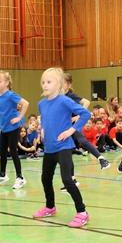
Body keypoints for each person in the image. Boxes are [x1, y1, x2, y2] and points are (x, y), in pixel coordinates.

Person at [33, 68, 92, 228]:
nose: (45, 85)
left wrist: (71, 130)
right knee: (45, 178)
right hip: (49, 148)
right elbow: (46, 119)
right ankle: (50, 207)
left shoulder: (64, 100)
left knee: (67, 179)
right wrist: (43, 130)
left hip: (64, 146)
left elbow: (85, 114)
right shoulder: (42, 103)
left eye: (49, 82)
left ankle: (82, 212)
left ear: (58, 84)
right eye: (43, 82)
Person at [64, 73, 110, 169]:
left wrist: (78, 116)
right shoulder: (57, 96)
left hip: (72, 123)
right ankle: (72, 178)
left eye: (63, 83)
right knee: (65, 152)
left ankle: (101, 158)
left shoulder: (70, 95)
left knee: (82, 140)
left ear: (69, 85)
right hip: (63, 124)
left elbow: (86, 102)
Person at [0, 71, 29, 189]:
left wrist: (19, 117)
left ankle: (20, 178)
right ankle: (2, 175)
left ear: (7, 83)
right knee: (2, 152)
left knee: (13, 151)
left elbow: (25, 103)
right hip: (4, 128)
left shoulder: (11, 95)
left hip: (13, 128)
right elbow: (2, 112)